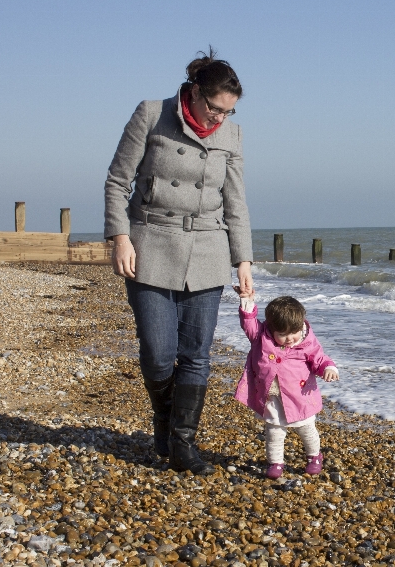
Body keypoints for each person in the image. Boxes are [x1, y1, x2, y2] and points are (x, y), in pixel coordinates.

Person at [104, 48, 253, 476]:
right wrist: (120, 237)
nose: (219, 119)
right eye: (215, 109)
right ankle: (164, 420)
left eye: (230, 112)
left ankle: (182, 442)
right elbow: (118, 180)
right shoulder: (152, 114)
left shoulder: (232, 136)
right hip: (150, 242)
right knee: (157, 352)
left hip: (208, 248)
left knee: (196, 355)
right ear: (194, 92)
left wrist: (242, 259)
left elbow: (236, 202)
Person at [232, 292, 339, 479]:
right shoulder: (260, 337)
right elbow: (248, 322)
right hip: (272, 396)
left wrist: (328, 368)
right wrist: (247, 301)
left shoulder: (306, 341)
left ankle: (314, 456)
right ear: (271, 329)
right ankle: (276, 462)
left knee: (306, 429)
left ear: (301, 326)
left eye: (293, 332)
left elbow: (319, 358)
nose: (290, 338)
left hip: (300, 397)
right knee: (274, 431)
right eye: (282, 334)